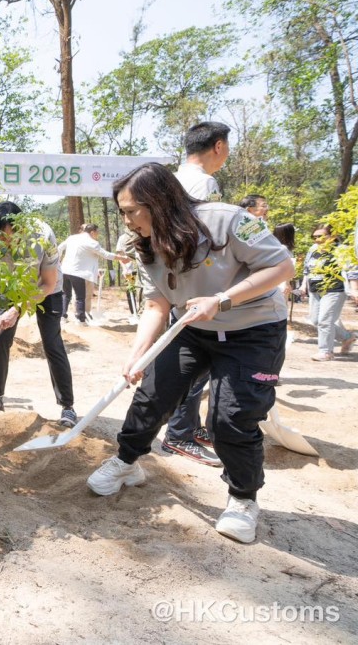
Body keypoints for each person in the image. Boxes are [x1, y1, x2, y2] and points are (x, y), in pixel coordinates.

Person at [87, 162, 295, 544]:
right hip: (192, 330)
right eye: (123, 213)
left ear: (160, 201)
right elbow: (156, 306)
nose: (128, 220)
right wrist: (137, 355)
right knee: (151, 394)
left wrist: (222, 299)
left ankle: (242, 499)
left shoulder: (228, 221)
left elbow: (283, 266)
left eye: (133, 210)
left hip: (254, 332)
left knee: (230, 418)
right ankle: (127, 462)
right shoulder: (146, 247)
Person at [165, 121, 233, 463]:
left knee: (192, 363)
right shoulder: (205, 183)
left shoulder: (172, 181)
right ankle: (179, 434)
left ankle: (187, 428)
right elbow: (209, 238)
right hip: (200, 287)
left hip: (176, 284)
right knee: (196, 364)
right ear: (218, 146)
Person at [0, 202, 78, 426]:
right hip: (12, 288)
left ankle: (67, 407)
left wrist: (17, 309)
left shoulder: (43, 234)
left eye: (7, 236)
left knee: (52, 343)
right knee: (1, 337)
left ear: (20, 227)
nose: (4, 242)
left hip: (47, 290)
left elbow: (48, 284)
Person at [302, 224, 355, 361]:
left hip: (334, 289)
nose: (317, 239)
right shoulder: (313, 249)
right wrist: (303, 285)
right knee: (315, 320)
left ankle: (326, 351)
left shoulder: (341, 250)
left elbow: (351, 270)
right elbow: (307, 269)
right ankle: (347, 337)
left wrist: (354, 289)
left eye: (321, 236)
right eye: (314, 237)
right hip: (315, 289)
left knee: (325, 320)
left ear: (333, 236)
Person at [59, 224, 126, 324]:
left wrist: (59, 262)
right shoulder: (92, 242)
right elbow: (106, 255)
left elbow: (59, 248)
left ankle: (63, 317)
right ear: (92, 232)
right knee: (80, 297)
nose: (98, 234)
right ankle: (80, 319)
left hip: (65, 270)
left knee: (66, 294)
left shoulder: (72, 238)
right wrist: (122, 258)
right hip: (78, 273)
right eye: (97, 232)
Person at [173, 121, 231, 201]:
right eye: (228, 147)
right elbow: (211, 213)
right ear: (218, 147)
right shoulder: (207, 182)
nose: (228, 153)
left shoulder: (170, 179)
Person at [115, 228, 141, 322]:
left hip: (141, 270)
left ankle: (142, 313)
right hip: (130, 270)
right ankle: (134, 313)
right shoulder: (123, 238)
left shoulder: (143, 234)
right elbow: (120, 254)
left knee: (142, 292)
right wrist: (124, 268)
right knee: (131, 292)